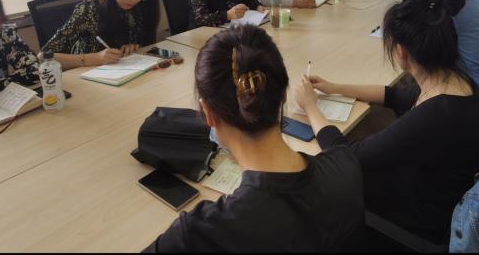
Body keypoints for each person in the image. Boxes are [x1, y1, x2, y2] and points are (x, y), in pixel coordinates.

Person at [292, 0, 479, 245]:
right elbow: (395, 96)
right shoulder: (451, 79)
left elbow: (346, 157)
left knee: (317, 181)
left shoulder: (436, 116)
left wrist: (310, 107)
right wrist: (335, 87)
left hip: (419, 224)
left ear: (401, 51)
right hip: (435, 187)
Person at [145, 25, 364, 252]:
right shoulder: (346, 165)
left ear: (208, 113)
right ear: (284, 95)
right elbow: (336, 142)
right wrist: (310, 106)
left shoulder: (198, 234)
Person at [43, 0, 159, 69]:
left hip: (123, 70)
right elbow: (43, 57)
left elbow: (146, 43)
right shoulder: (89, 9)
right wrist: (94, 58)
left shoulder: (142, 6)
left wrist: (132, 47)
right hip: (86, 73)